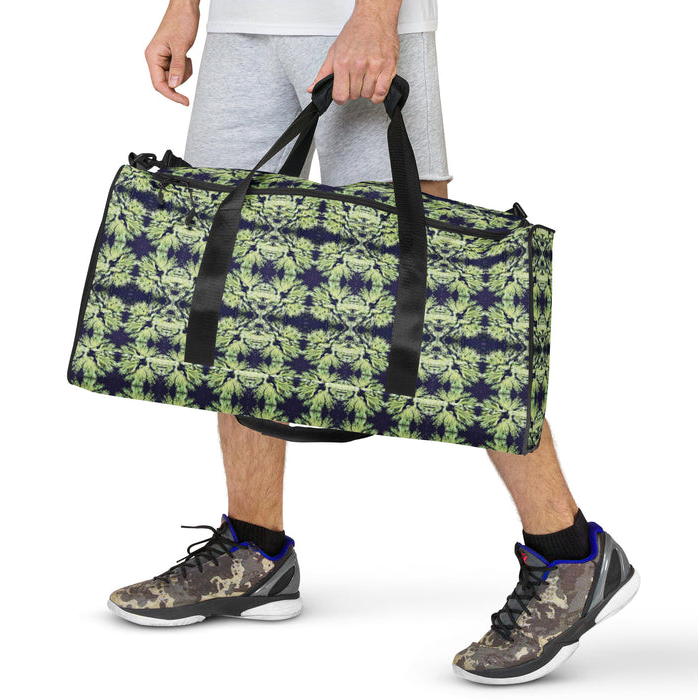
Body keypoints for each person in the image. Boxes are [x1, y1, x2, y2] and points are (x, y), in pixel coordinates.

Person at [107, 0, 639, 685]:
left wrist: (376, 16)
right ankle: (254, 551)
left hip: (356, 23)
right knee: (238, 292)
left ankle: (571, 554)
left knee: (445, 304)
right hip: (240, 27)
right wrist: (184, 7)